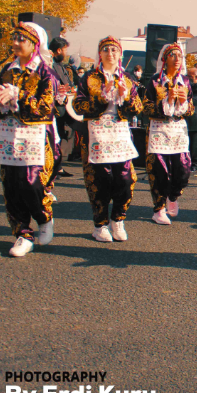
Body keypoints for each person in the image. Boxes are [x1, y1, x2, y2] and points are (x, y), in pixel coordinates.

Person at [0, 22, 58, 257]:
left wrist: (19, 95)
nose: (16, 43)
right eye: (15, 38)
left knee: (31, 182)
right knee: (11, 185)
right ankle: (22, 233)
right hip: (9, 134)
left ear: (34, 45)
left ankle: (44, 217)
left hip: (35, 135)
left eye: (22, 39)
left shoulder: (45, 73)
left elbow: (45, 108)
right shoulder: (7, 70)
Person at [74, 36, 144, 242]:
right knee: (99, 179)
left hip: (119, 133)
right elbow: (78, 106)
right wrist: (101, 96)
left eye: (114, 50)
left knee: (126, 178)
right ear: (100, 53)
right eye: (105, 49)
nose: (110, 53)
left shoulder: (128, 78)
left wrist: (127, 97)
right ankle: (100, 224)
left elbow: (137, 108)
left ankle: (118, 219)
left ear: (120, 54)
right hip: (95, 133)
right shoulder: (88, 77)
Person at [143, 43, 194, 225]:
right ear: (164, 59)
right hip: (159, 129)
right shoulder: (155, 81)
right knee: (160, 170)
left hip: (178, 130)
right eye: (172, 55)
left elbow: (191, 108)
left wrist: (182, 103)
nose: (177, 58)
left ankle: (173, 196)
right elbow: (146, 107)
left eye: (179, 55)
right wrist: (168, 100)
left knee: (183, 168)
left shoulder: (185, 81)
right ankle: (158, 208)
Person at [48, 36, 76, 178]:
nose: (66, 53)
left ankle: (57, 166)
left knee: (58, 138)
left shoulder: (60, 66)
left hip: (62, 107)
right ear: (58, 50)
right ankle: (53, 167)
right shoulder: (50, 65)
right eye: (65, 50)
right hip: (53, 108)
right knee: (53, 138)